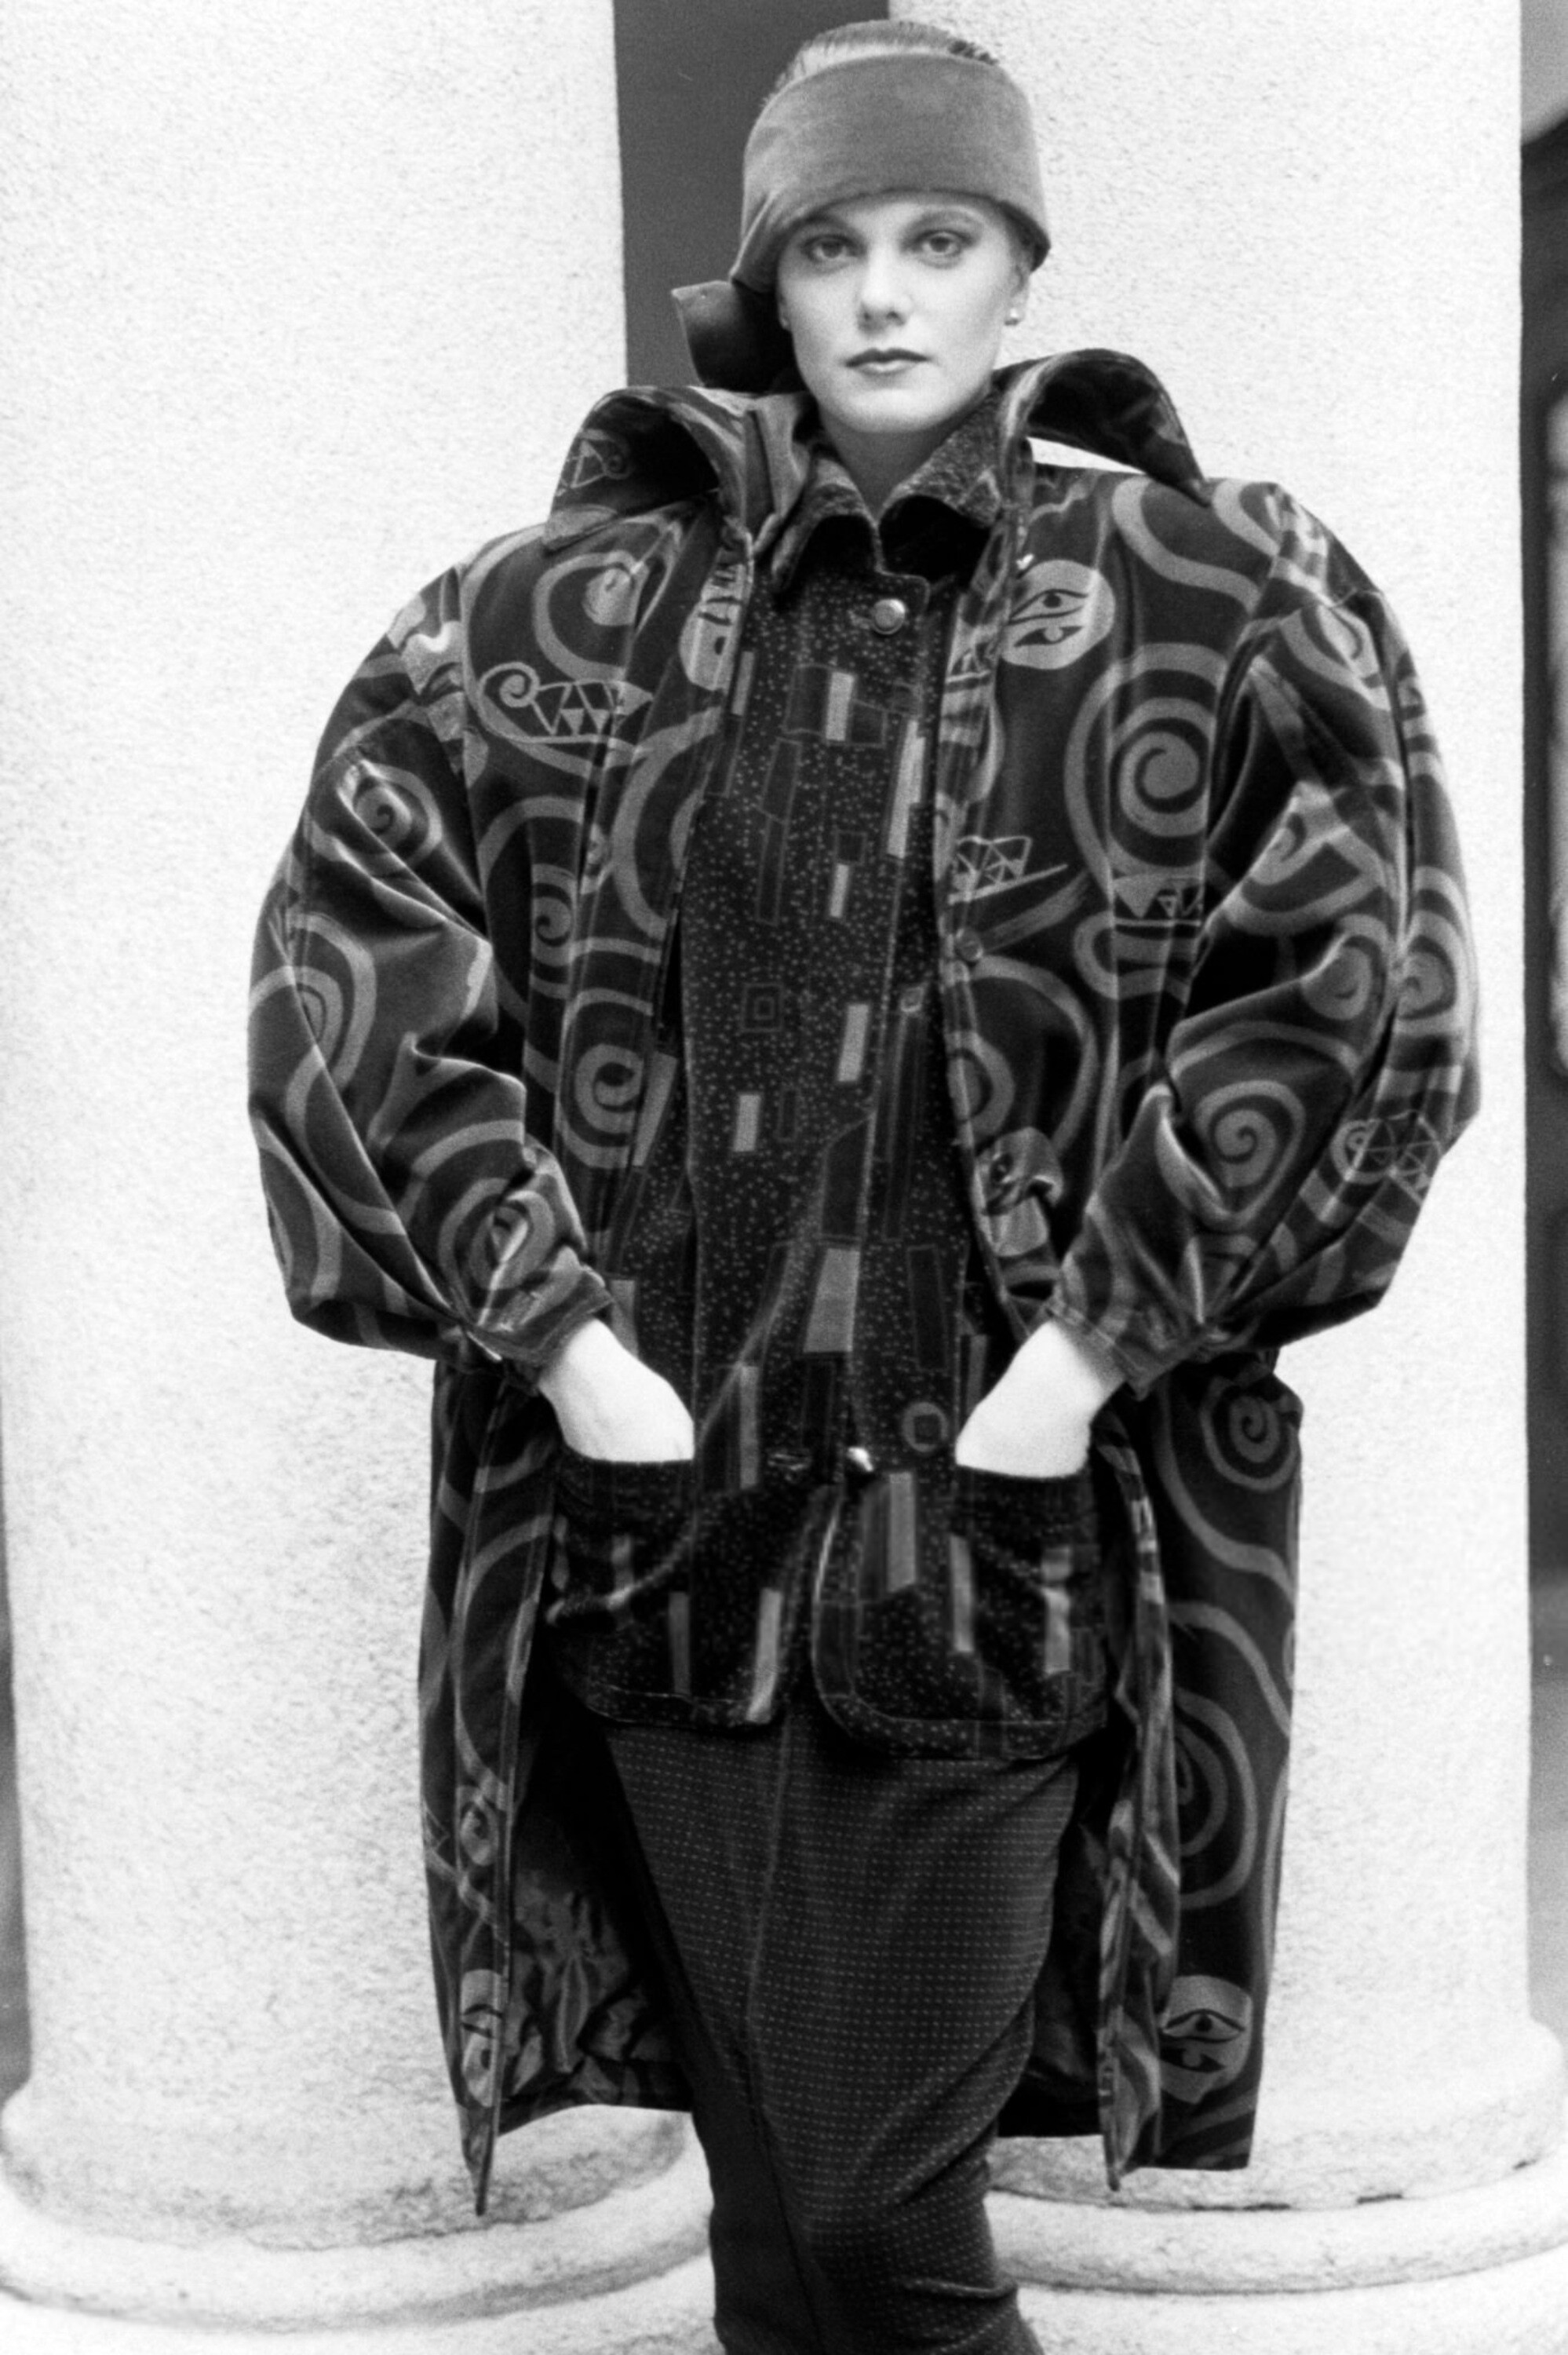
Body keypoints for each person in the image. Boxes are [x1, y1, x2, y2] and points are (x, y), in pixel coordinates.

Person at [248, 20, 1479, 2353]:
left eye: (941, 238)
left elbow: (1363, 996)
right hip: (662, 1523)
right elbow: (348, 975)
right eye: (833, 247)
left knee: (881, 2235)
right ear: (771, 283)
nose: (888, 293)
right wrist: (562, 1342)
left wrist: (1090, 1350)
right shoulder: (560, 615)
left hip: (1001, 1529)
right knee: (775, 2242)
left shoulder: (1206, 596)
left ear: (1022, 271)